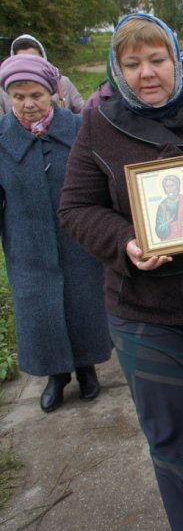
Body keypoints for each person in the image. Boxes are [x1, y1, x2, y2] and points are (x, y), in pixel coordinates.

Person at [58, 13, 183, 531]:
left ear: (177, 59)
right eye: (133, 63)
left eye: (158, 59)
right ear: (118, 71)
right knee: (174, 433)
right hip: (144, 310)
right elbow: (76, 207)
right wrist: (125, 241)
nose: (148, 73)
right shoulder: (99, 123)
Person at [0, 55, 110, 413]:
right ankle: (56, 377)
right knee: (40, 312)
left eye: (35, 95)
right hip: (27, 243)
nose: (28, 104)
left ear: (53, 93)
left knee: (83, 303)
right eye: (18, 97)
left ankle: (87, 369)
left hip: (77, 240)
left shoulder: (79, 128)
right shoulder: (2, 139)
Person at [0, 34, 84, 115]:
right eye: (19, 97)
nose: (29, 65)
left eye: (34, 60)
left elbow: (83, 111)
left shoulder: (62, 82)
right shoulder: (3, 91)